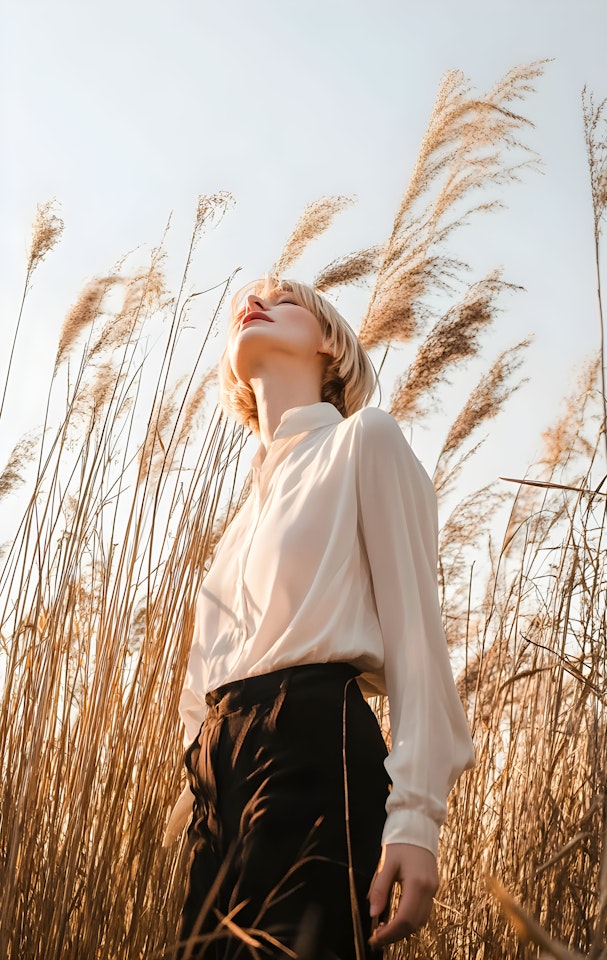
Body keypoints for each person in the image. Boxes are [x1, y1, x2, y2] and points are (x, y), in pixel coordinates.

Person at [163, 276, 475, 960]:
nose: (256, 298)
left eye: (287, 298)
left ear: (331, 344)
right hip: (222, 786)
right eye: (248, 296)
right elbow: (197, 691)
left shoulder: (366, 440)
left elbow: (418, 639)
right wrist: (198, 801)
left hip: (312, 744)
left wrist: (417, 816)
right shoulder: (236, 525)